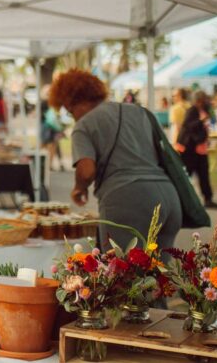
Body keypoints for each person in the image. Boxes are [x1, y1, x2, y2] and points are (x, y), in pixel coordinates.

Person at [49, 68, 182, 252]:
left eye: (70, 111)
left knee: (120, 274)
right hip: (169, 199)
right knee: (162, 273)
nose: (73, 116)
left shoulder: (84, 125)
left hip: (127, 200)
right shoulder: (139, 112)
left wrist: (79, 188)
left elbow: (87, 170)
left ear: (74, 102)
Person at [176, 90, 217, 209]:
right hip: (190, 149)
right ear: (199, 100)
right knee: (187, 175)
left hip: (200, 148)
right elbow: (187, 125)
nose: (207, 101)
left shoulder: (204, 110)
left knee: (204, 175)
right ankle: (180, 200)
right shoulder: (192, 110)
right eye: (204, 99)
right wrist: (201, 120)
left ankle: (208, 199)